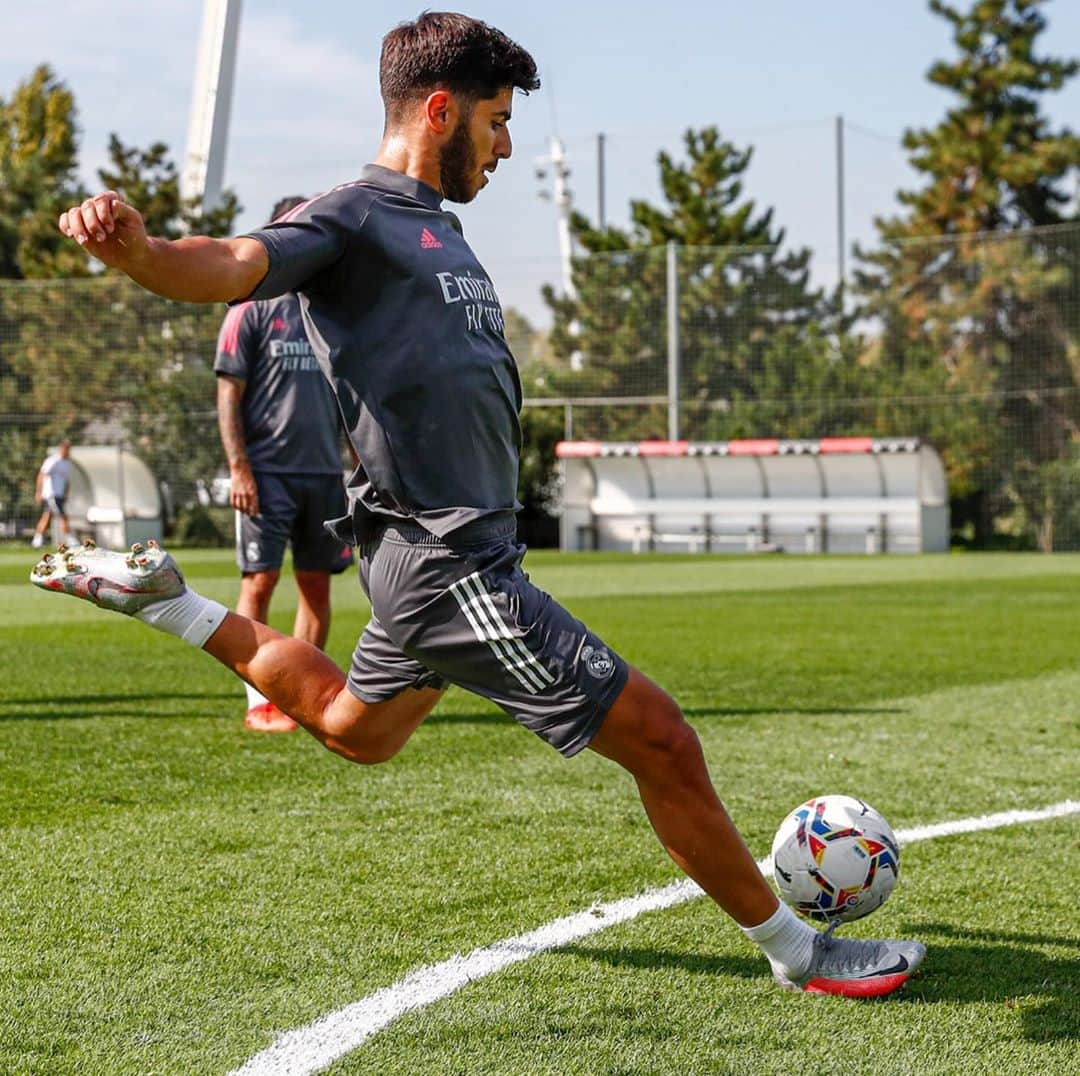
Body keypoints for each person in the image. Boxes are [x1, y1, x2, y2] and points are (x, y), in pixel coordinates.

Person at [41, 12, 924, 997]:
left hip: (444, 558)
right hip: (451, 563)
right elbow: (238, 264)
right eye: (497, 122)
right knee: (665, 740)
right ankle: (802, 953)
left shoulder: (438, 231)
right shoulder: (352, 217)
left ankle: (168, 599)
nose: (504, 145)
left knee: (353, 726)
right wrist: (143, 253)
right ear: (438, 108)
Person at [215, 195, 354, 733]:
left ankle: (302, 699)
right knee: (260, 581)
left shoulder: (335, 313)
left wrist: (359, 470)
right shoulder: (246, 309)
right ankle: (258, 703)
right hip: (266, 475)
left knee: (317, 588)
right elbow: (228, 394)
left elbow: (353, 400)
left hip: (325, 477)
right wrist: (240, 469)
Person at [31, 440, 73, 549]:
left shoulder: (67, 464)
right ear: (61, 449)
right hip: (51, 495)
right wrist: (39, 492)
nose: (68, 451)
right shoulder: (53, 461)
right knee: (63, 516)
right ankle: (71, 540)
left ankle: (37, 540)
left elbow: (66, 481)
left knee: (47, 517)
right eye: (66, 449)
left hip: (60, 495)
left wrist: (66, 494)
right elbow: (42, 475)